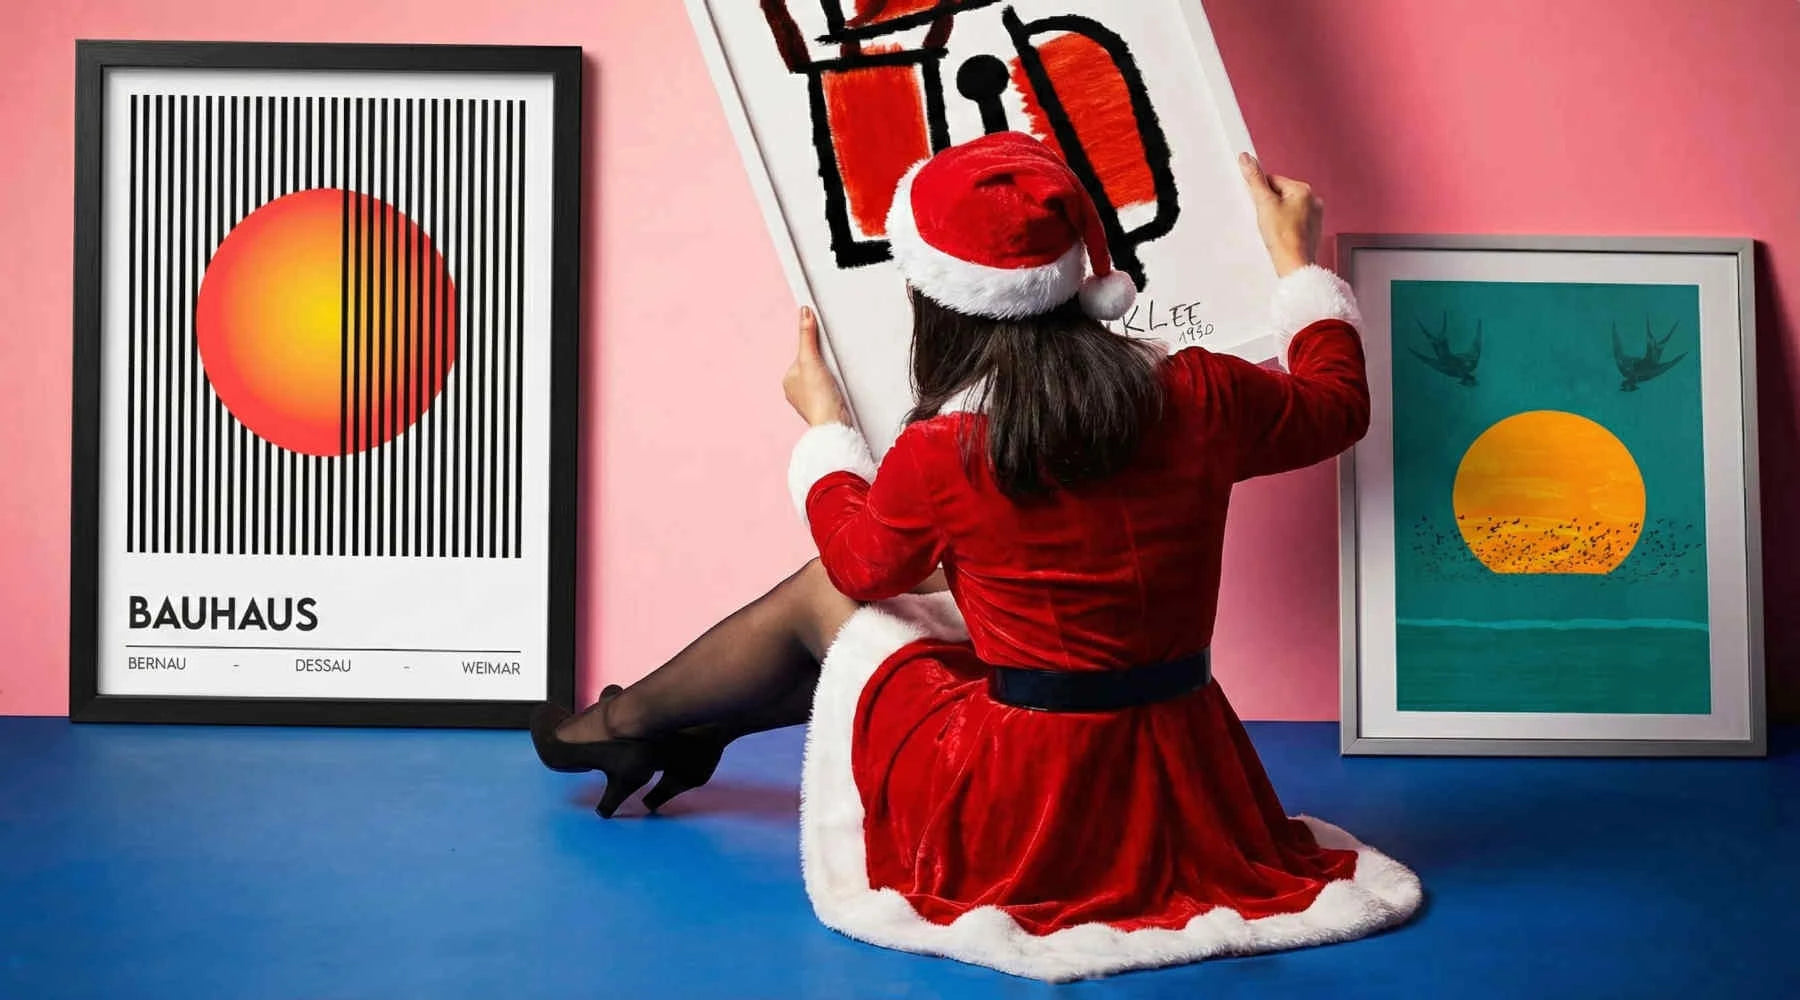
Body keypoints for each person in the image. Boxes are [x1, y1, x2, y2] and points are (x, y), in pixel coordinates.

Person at [530, 132, 1421, 981]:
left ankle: (638, 727)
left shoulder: (945, 451)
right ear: (1080, 277)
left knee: (822, 594)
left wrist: (826, 431)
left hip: (1024, 799)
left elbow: (857, 569)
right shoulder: (1201, 391)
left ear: (936, 297)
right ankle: (668, 728)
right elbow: (1336, 406)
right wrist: (1293, 258)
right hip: (1191, 768)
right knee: (937, 594)